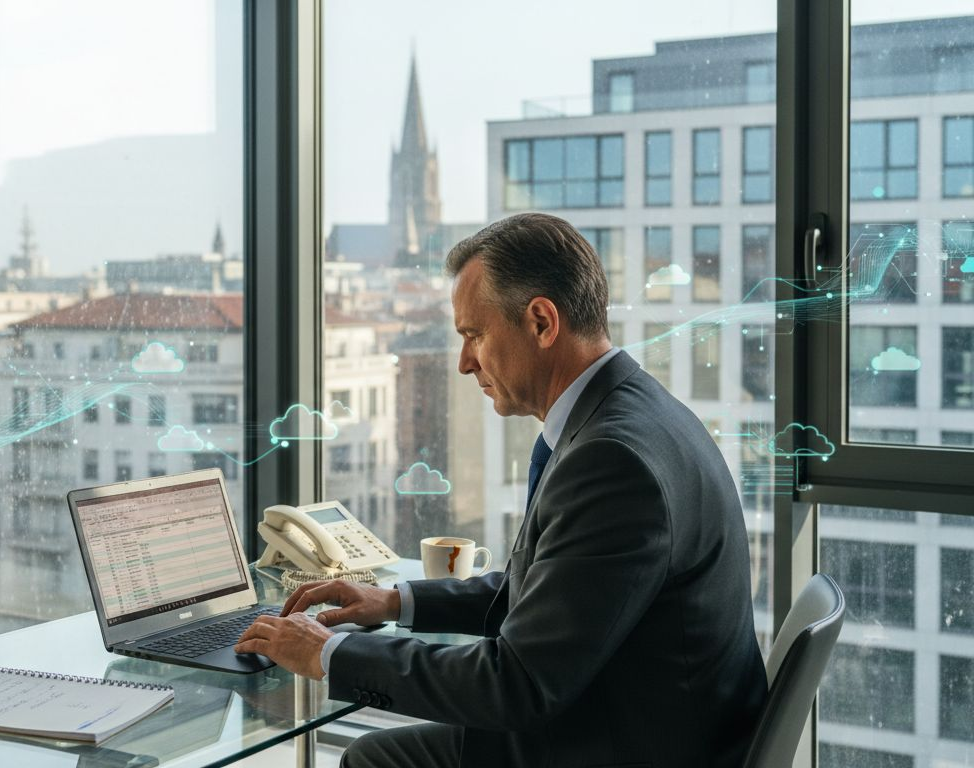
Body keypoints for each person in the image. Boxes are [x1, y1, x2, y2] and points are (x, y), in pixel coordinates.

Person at [234, 212, 768, 767]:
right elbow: (552, 591)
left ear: (541, 321)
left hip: (623, 748)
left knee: (375, 761)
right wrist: (394, 601)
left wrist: (331, 654)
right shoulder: (633, 412)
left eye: (474, 335)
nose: (465, 363)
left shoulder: (612, 462)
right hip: (650, 724)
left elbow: (519, 685)